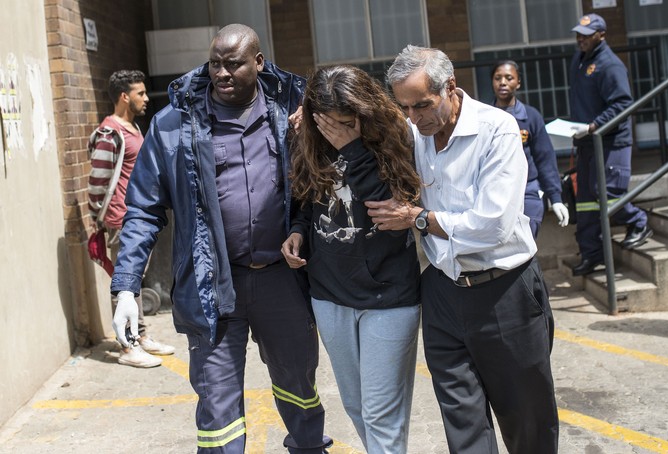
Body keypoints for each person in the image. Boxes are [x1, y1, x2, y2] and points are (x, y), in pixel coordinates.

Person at [109, 24, 331, 453]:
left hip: (281, 282)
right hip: (212, 286)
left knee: (299, 387)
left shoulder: (293, 114)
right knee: (217, 407)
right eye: (216, 64)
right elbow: (142, 210)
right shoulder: (173, 127)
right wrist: (125, 287)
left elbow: (313, 190)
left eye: (234, 64)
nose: (222, 73)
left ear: (259, 63)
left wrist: (301, 229)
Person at [365, 45, 558, 454]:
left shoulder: (498, 129)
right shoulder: (415, 131)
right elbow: (362, 126)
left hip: (505, 294)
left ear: (450, 88)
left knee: (528, 424)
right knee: (463, 427)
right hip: (442, 293)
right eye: (406, 108)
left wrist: (418, 218)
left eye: (422, 105)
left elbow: (493, 225)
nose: (414, 118)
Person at [281, 65, 422, 453]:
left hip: (388, 297)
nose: (337, 130)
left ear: (364, 112)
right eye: (328, 123)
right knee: (356, 406)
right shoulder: (307, 136)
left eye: (346, 123)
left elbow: (388, 208)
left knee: (381, 412)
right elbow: (308, 198)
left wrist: (352, 149)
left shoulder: (396, 135)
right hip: (329, 294)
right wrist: (297, 229)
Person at [87, 69, 175, 368]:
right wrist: (102, 216)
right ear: (125, 97)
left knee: (134, 280)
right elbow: (98, 179)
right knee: (123, 282)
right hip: (118, 220)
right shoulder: (110, 132)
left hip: (135, 217)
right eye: (140, 93)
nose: (147, 98)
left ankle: (139, 334)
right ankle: (127, 347)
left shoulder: (133, 128)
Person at [568, 13, 653, 276]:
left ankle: (639, 222)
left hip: (611, 141)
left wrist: (596, 125)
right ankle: (592, 253)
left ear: (601, 35)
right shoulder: (580, 59)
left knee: (607, 194)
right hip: (587, 142)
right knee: (585, 201)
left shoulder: (609, 64)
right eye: (579, 34)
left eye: (587, 34)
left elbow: (622, 105)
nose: (581, 39)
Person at [490, 60, 569, 238]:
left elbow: (545, 159)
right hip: (497, 193)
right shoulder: (485, 117)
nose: (503, 82)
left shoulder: (531, 116)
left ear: (518, 83)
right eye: (497, 78)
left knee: (526, 243)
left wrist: (555, 198)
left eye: (509, 78)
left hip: (528, 191)